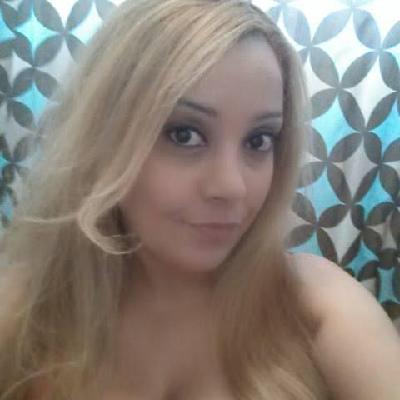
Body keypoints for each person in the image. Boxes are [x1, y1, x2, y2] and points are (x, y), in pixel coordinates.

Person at [0, 0, 399, 399]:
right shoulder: (23, 312)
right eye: (184, 134)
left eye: (259, 140)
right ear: (105, 138)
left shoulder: (316, 304)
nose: (232, 186)